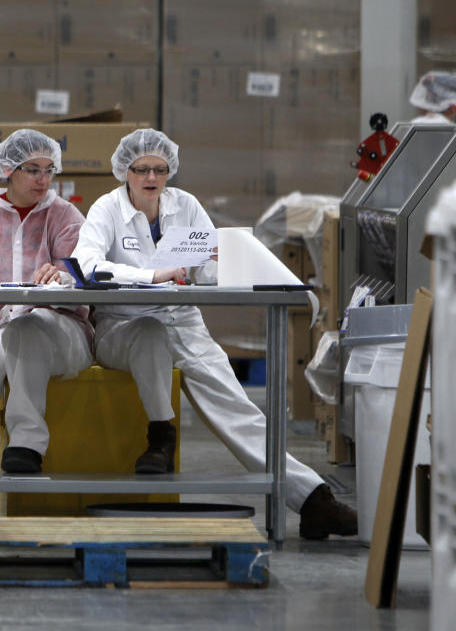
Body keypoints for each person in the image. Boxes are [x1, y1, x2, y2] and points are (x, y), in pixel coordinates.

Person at [71, 128, 358, 540]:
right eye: (141, 169)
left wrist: (217, 263)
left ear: (170, 171)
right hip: (125, 324)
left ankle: (314, 500)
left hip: (183, 321)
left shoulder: (185, 205)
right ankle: (160, 439)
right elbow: (87, 263)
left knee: (236, 408)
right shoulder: (106, 210)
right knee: (150, 333)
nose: (151, 177)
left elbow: (209, 263)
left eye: (160, 169)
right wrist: (152, 274)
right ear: (125, 172)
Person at [0, 129, 94, 515]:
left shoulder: (65, 216)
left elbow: (85, 270)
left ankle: (26, 445)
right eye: (32, 170)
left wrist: (61, 276)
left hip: (58, 328)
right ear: (7, 170)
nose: (43, 180)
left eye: (48, 170)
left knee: (28, 329)